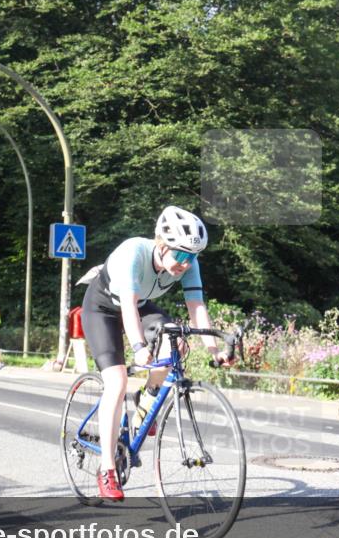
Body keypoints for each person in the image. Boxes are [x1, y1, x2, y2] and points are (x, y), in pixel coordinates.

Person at [79, 206, 234, 501]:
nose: (186, 264)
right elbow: (127, 306)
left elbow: (196, 307)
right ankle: (107, 468)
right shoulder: (133, 253)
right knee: (117, 381)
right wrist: (137, 347)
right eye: (182, 256)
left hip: (139, 306)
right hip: (102, 309)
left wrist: (214, 350)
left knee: (176, 339)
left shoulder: (189, 263)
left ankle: (146, 399)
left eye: (193, 257)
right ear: (162, 246)